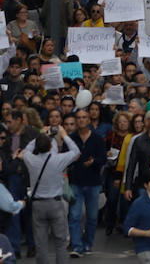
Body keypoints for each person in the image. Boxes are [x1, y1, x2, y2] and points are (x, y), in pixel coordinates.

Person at [21, 129, 81, 264]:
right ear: (50, 146)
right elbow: (76, 151)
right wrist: (65, 135)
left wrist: (39, 134)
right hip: (55, 203)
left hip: (38, 204)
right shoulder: (58, 160)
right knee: (60, 242)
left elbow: (25, 150)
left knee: (41, 243)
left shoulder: (31, 159)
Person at [67, 106, 106, 258]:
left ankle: (88, 243)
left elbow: (103, 159)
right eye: (79, 118)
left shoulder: (97, 138)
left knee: (92, 217)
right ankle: (77, 246)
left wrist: (94, 161)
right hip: (76, 182)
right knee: (75, 215)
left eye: (84, 117)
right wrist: (71, 158)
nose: (81, 120)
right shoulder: (71, 139)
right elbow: (64, 156)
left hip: (93, 182)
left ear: (89, 120)